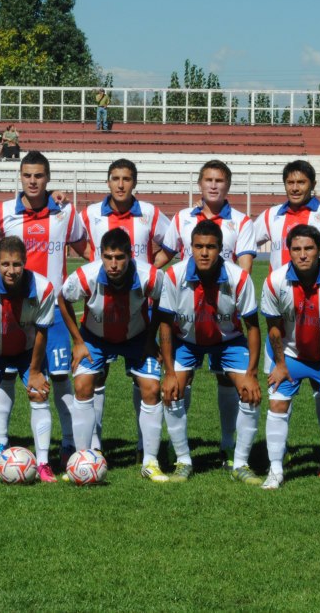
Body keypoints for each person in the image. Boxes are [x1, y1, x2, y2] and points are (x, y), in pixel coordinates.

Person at [0, 151, 89, 466]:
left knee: (61, 377)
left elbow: (87, 250)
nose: (33, 181)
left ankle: (68, 445)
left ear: (47, 177)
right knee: (7, 377)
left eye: (39, 176)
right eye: (27, 175)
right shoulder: (2, 213)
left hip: (51, 313)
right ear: (20, 177)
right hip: (10, 312)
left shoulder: (65, 212)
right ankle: (0, 443)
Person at [154, 159, 258, 470]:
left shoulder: (241, 222)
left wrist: (231, 296)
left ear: (228, 185)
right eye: (208, 180)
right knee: (174, 387)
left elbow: (244, 268)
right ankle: (181, 454)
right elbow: (166, 255)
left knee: (235, 385)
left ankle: (232, 451)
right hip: (188, 318)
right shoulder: (183, 218)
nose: (213, 185)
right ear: (199, 184)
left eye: (220, 180)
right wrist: (141, 274)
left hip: (224, 317)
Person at [254, 159, 320, 474]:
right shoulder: (270, 216)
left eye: (301, 182)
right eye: (290, 183)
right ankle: (278, 460)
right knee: (281, 388)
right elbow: (244, 244)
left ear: (312, 184)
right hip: (283, 313)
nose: (295, 188)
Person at [59, 228, 169, 480]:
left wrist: (151, 339)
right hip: (95, 338)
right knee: (83, 385)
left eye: (119, 257)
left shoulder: (149, 275)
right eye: (108, 257)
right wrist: (78, 342)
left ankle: (150, 462)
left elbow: (164, 301)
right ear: (101, 256)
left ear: (130, 255)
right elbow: (63, 299)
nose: (114, 264)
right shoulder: (86, 276)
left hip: (137, 337)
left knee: (152, 388)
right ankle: (82, 459)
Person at [81, 158, 168, 457]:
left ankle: (144, 444)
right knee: (97, 377)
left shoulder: (150, 213)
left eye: (126, 178)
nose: (120, 184)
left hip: (137, 309)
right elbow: (76, 239)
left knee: (142, 377)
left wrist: (149, 267)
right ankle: (93, 445)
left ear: (135, 182)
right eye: (115, 178)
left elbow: (170, 243)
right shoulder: (90, 213)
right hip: (101, 307)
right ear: (108, 181)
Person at [260, 224, 320, 493]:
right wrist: (279, 365)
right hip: (288, 355)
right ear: (289, 252)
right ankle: (275, 470)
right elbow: (274, 326)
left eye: (309, 248)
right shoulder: (275, 281)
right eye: (297, 249)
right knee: (278, 406)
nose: (303, 254)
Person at [0, 237, 56, 482]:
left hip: (28, 351)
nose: (11, 270)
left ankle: (44, 464)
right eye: (5, 264)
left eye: (17, 264)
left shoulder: (44, 288)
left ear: (25, 263)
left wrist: (36, 371)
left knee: (39, 395)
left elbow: (42, 333)